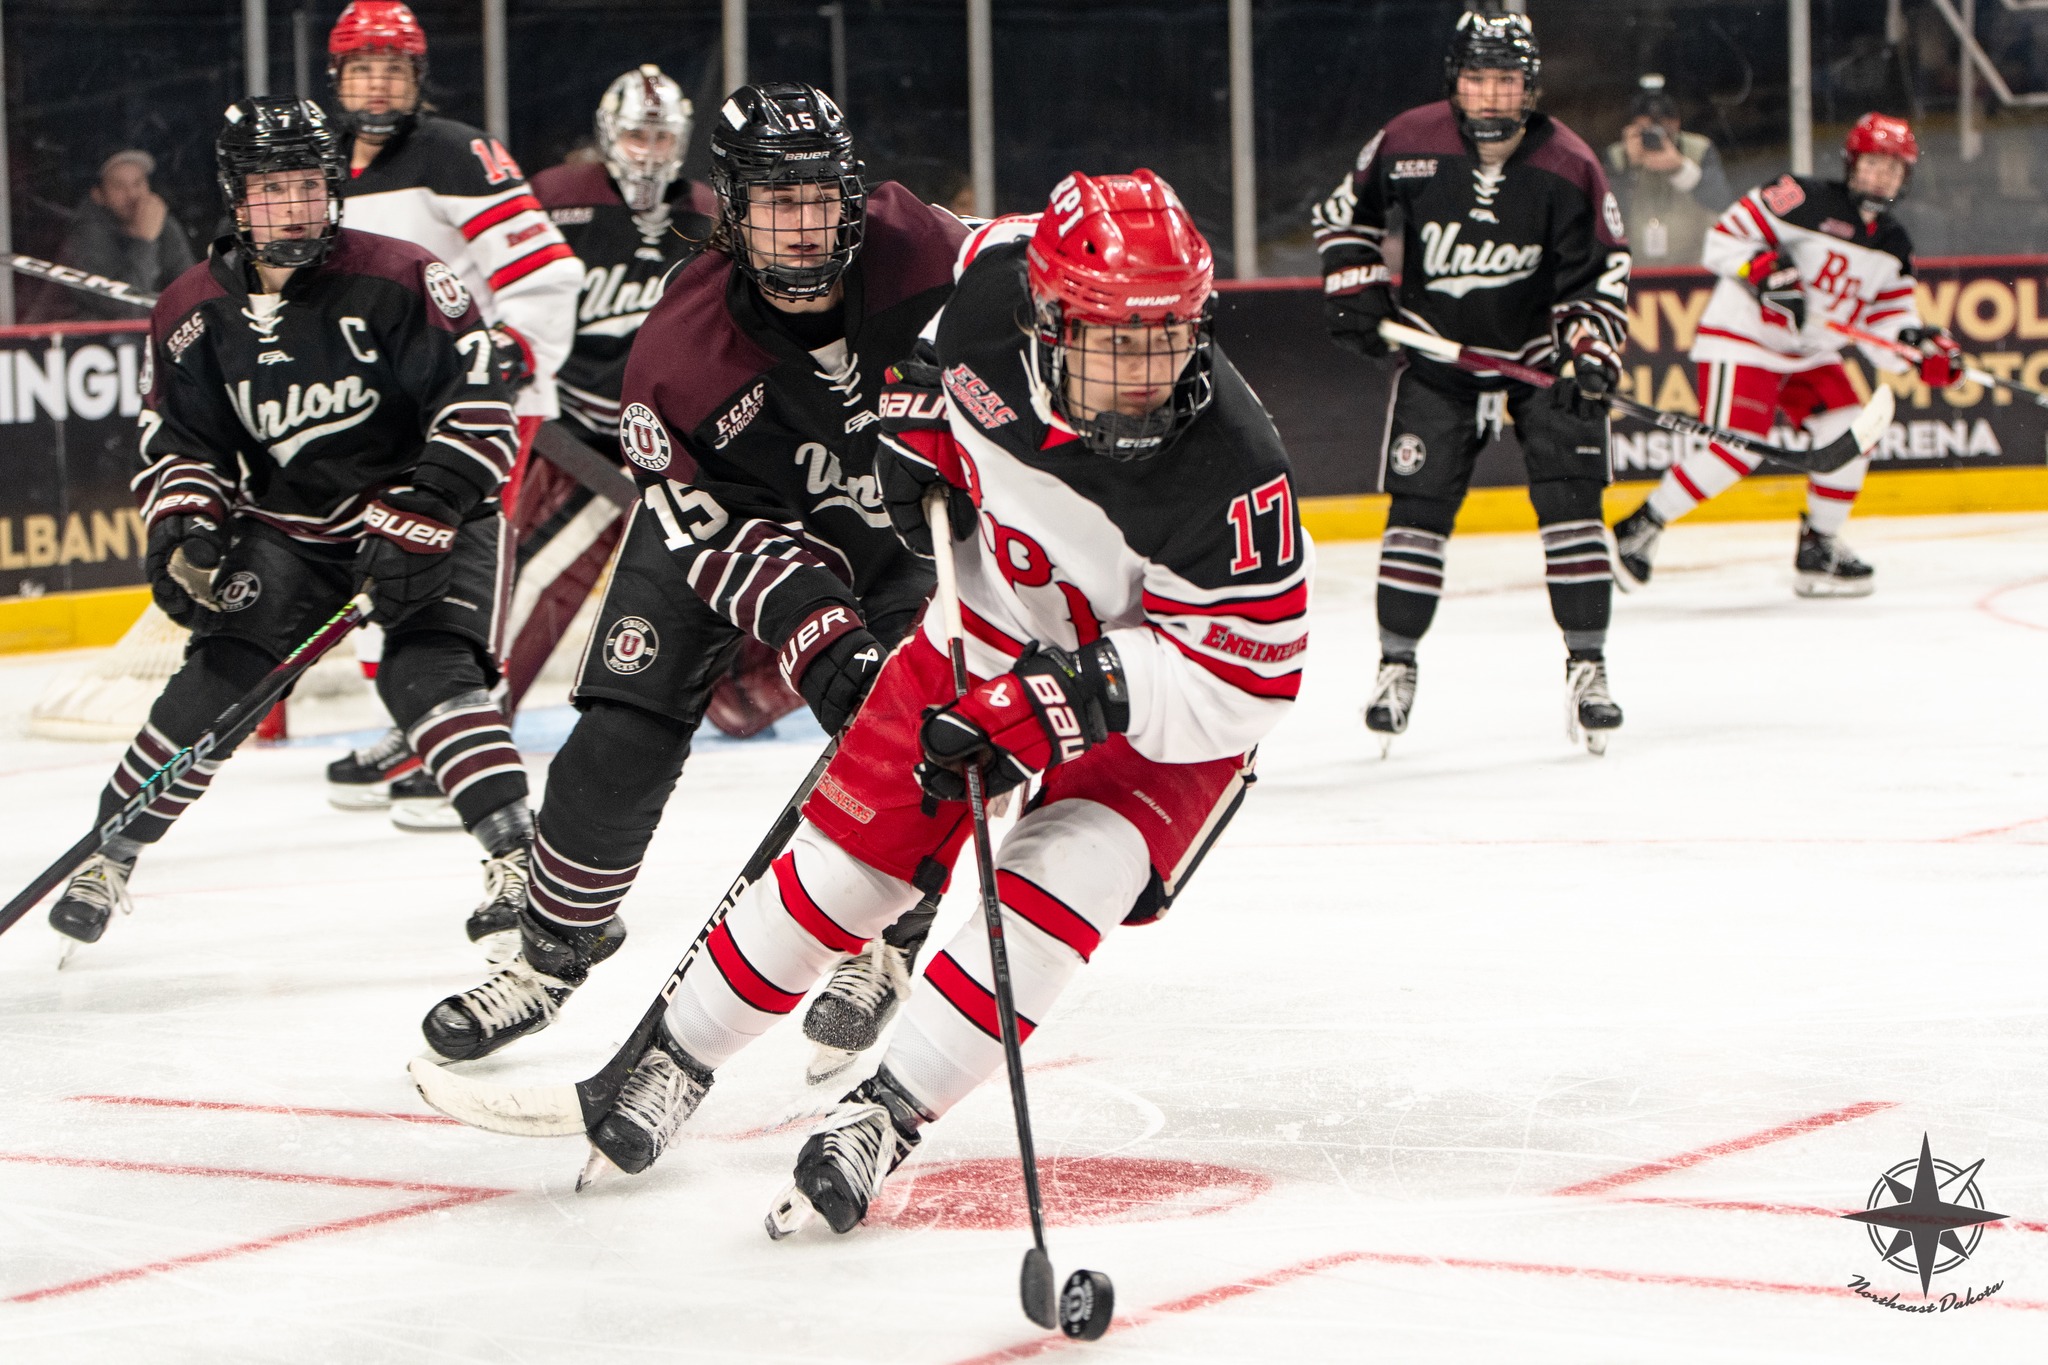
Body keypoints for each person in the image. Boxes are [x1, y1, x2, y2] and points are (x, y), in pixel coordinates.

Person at [533, 169, 1306, 1238]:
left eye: (1164, 339)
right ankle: (677, 1056)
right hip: (988, 630)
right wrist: (913, 409)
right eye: (1110, 342)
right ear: (1044, 321)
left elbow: (1252, 679)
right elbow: (943, 317)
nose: (1140, 376)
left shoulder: (1236, 474)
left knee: (1056, 884)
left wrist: (1079, 694)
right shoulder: (992, 286)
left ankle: (884, 1115)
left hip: (1157, 698)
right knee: (847, 867)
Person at [417, 83, 960, 1070]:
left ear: (853, 194)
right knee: (620, 727)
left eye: (819, 201)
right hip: (729, 520)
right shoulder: (680, 355)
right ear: (731, 207)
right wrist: (806, 622)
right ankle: (552, 950)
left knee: (908, 738)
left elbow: (1041, 306)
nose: (802, 229)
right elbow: (703, 530)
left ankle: (883, 939)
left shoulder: (926, 254)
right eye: (774, 204)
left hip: (893, 535)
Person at [45, 98, 530, 958]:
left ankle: (518, 862)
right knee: (216, 681)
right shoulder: (191, 311)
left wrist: (424, 507)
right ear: (237, 197)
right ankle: (108, 853)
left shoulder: (403, 275)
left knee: (427, 673)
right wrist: (188, 527)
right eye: (273, 190)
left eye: (308, 187)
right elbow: (183, 441)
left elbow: (480, 403)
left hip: (429, 510)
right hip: (293, 525)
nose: (294, 208)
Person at [1311, 11, 1631, 756]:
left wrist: (1587, 348)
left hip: (1538, 355)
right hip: (1437, 357)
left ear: (1531, 86)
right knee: (1416, 511)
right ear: (1454, 81)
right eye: (1477, 78)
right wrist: (1356, 282)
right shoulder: (1407, 142)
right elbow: (1342, 214)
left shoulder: (1570, 163)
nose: (1491, 96)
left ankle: (1589, 666)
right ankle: (1396, 665)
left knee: (1572, 505)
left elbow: (1601, 273)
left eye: (1507, 80)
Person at [320, 0, 581, 825]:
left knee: (463, 568)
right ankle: (416, 725)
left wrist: (508, 357)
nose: (377, 84)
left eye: (392, 68)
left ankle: (476, 737)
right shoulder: (321, 165)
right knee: (380, 566)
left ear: (417, 78)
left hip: (476, 403)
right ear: (338, 79)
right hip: (380, 407)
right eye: (362, 68)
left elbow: (543, 271)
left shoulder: (456, 151)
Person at [1611, 114, 1958, 598]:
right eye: (1874, 163)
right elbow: (1723, 240)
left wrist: (1919, 349)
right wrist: (1765, 272)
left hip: (1809, 354)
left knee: (1851, 434)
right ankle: (1640, 526)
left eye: (1894, 169)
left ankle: (1819, 548)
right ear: (1852, 163)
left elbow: (1888, 329)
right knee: (1735, 450)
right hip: (1745, 338)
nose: (1882, 176)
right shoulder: (1800, 197)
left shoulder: (1894, 245)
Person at [501, 65, 717, 715]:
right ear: (607, 137)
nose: (648, 155)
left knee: (713, 587)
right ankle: (469, 707)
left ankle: (740, 695)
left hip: (662, 440)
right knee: (520, 574)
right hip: (565, 434)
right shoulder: (556, 197)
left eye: (659, 139)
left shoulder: (706, 214)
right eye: (634, 138)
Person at [52, 150, 200, 321]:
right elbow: (125, 309)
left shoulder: (163, 224)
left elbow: (191, 295)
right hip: (99, 340)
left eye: (138, 183)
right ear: (98, 195)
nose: (131, 195)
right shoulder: (87, 233)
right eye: (119, 186)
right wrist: (145, 242)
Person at [1602, 75, 1732, 267]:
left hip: (1691, 267)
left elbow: (1721, 203)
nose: (1657, 134)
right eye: (1647, 129)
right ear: (1632, 126)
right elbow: (1609, 217)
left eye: (1665, 126)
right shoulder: (1618, 156)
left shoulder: (1699, 150)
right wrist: (1630, 169)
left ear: (1678, 122)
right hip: (1635, 267)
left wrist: (1680, 169)